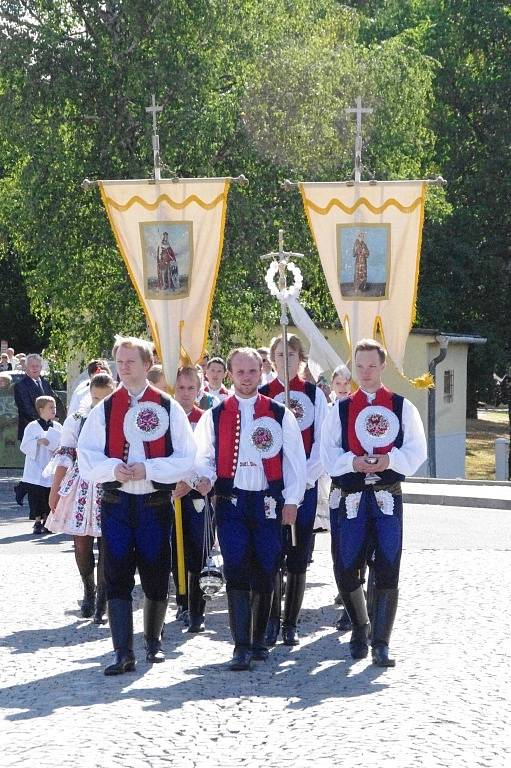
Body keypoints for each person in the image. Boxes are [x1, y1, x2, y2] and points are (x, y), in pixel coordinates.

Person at [78, 336, 196, 675]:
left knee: (156, 572)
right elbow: (86, 457)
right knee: (115, 573)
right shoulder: (105, 409)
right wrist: (112, 468)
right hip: (117, 501)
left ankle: (153, 644)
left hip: (155, 502)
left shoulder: (168, 406)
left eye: (132, 361)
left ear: (147, 366)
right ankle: (122, 651)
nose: (124, 366)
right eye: (121, 361)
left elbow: (186, 458)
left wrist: (151, 469)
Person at [193, 347, 306, 670]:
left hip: (269, 501)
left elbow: (294, 459)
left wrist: (292, 500)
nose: (246, 378)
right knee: (237, 568)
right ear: (230, 374)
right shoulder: (215, 414)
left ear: (261, 371)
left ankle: (259, 639)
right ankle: (241, 644)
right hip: (232, 501)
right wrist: (204, 476)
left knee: (267, 568)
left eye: (252, 371)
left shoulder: (279, 412)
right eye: (240, 372)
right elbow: (203, 453)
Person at [320, 338, 427, 667]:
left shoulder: (401, 406)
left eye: (372, 365)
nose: (365, 372)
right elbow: (328, 453)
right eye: (360, 366)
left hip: (386, 497)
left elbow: (416, 451)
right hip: (350, 496)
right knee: (346, 566)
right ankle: (359, 626)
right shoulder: (339, 409)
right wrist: (352, 464)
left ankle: (381, 642)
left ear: (383, 367)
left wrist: (389, 460)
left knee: (388, 567)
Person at [260, 334, 328, 646]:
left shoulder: (315, 396)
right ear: (271, 359)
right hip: (270, 487)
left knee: (299, 555)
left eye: (290, 354)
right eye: (278, 354)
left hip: (306, 487)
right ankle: (272, 619)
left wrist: (302, 482)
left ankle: (291, 622)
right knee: (273, 554)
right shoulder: (262, 394)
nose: (284, 360)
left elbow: (322, 445)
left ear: (300, 358)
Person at [46, 374, 117, 623]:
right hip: (82, 484)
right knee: (82, 543)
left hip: (111, 482)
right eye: (96, 398)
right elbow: (65, 456)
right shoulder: (78, 419)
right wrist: (55, 490)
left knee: (109, 544)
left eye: (105, 397)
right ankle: (88, 588)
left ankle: (102, 601)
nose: (100, 403)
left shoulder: (122, 417)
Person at [171, 365, 212, 632]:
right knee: (176, 550)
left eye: (191, 388)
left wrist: (191, 481)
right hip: (171, 492)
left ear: (198, 390)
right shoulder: (167, 416)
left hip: (197, 493)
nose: (186, 394)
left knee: (198, 550)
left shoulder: (204, 418)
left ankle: (197, 609)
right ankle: (182, 600)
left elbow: (207, 455)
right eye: (181, 388)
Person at [20, 396, 62, 534]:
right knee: (37, 494)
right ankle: (37, 521)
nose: (54, 410)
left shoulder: (58, 427)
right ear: (41, 409)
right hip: (36, 467)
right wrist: (38, 442)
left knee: (49, 493)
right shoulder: (32, 426)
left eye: (54, 407)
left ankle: (48, 520)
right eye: (51, 407)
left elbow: (63, 443)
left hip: (51, 466)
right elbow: (24, 446)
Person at [14, 353, 60, 441]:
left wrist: (55, 416)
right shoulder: (20, 385)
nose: (35, 368)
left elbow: (54, 401)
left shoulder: (46, 383)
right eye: (32, 366)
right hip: (31, 431)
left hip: (49, 430)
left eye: (37, 366)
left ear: (41, 367)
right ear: (26, 367)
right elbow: (26, 409)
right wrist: (46, 420)